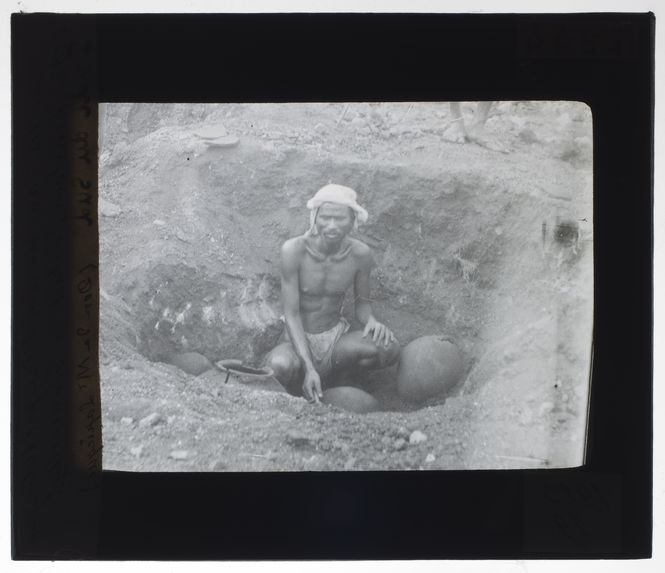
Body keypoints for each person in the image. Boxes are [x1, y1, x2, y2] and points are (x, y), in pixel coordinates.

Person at [263, 184, 400, 403]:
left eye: (340, 219)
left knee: (388, 348)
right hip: (296, 340)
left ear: (353, 220)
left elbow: (362, 307)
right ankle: (294, 393)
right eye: (325, 218)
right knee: (279, 366)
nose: (332, 226)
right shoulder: (294, 251)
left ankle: (338, 381)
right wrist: (309, 367)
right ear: (315, 217)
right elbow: (292, 314)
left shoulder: (360, 254)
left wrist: (372, 321)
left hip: (334, 340)